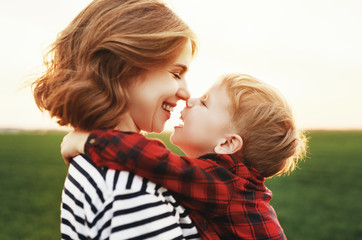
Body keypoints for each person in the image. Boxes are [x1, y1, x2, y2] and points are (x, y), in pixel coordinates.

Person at [61, 73, 308, 239]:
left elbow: (155, 161)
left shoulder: (224, 184)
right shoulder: (231, 185)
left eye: (205, 103)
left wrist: (89, 140)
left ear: (227, 143)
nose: (190, 99)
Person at [31, 0, 201, 239]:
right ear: (124, 67)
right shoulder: (131, 190)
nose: (186, 93)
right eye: (176, 73)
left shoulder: (99, 163)